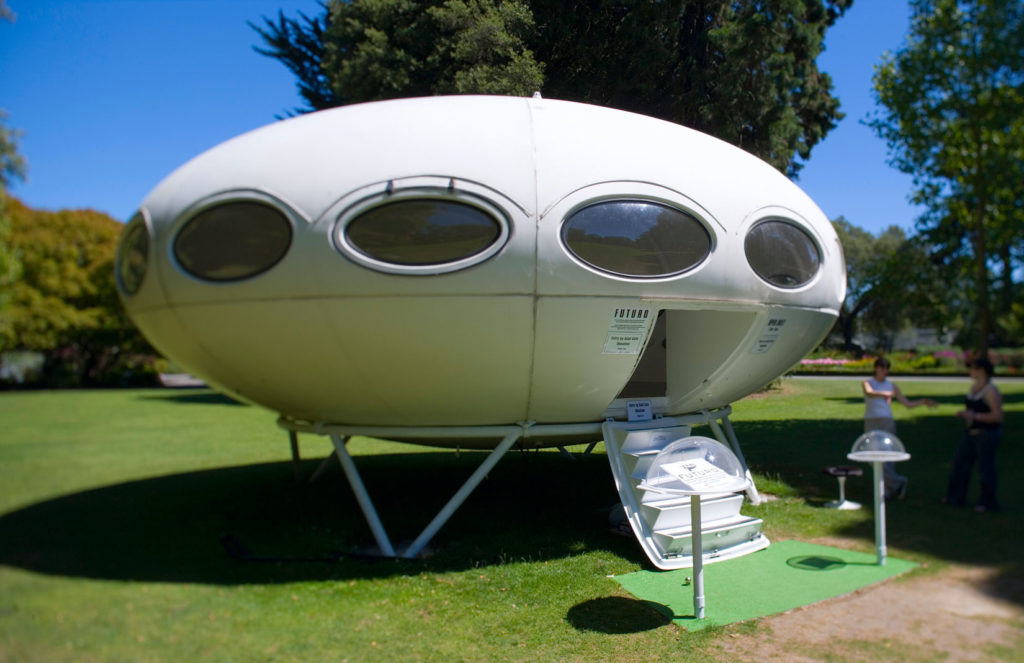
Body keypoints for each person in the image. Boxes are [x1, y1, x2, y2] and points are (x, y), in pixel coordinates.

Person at [863, 357, 936, 499]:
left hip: (886, 422)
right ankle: (898, 482)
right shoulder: (868, 382)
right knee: (871, 457)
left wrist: (923, 401)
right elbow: (869, 392)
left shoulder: (891, 385)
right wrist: (885, 394)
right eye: (882, 368)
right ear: (876, 368)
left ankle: (887, 489)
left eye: (887, 368)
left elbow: (907, 404)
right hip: (871, 421)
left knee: (886, 457)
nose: (885, 371)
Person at [944, 357, 1003, 512]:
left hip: (986, 434)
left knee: (985, 468)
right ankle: (955, 497)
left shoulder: (990, 391)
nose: (971, 371)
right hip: (971, 433)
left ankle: (987, 502)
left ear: (982, 371)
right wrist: (966, 415)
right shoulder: (974, 388)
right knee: (959, 464)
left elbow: (998, 416)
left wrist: (975, 416)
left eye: (973, 368)